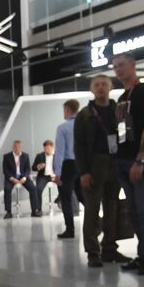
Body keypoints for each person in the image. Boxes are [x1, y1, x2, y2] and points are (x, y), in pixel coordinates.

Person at [112, 53, 144, 275]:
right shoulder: (123, 97)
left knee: (143, 210)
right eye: (115, 66)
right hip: (123, 160)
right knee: (133, 211)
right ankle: (143, 256)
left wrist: (140, 160)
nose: (118, 69)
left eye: (122, 65)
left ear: (133, 65)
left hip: (141, 161)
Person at [73, 76, 128, 267]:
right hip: (94, 164)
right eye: (96, 85)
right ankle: (92, 252)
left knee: (112, 207)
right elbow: (79, 146)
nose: (100, 88)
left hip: (115, 162)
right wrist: (83, 172)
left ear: (111, 87)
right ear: (91, 89)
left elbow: (126, 136)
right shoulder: (85, 114)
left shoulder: (119, 111)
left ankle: (110, 248)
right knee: (92, 209)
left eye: (104, 84)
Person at [52, 100, 82, 238]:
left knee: (66, 199)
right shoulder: (83, 126)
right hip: (82, 164)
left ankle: (70, 230)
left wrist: (57, 173)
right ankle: (98, 224)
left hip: (68, 166)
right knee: (83, 197)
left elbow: (60, 152)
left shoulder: (62, 128)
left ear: (68, 110)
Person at [2, 140, 36, 218]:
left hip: (22, 177)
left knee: (33, 188)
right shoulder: (6, 156)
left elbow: (28, 169)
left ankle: (34, 211)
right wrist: (12, 179)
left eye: (19, 147)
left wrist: (24, 177)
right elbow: (5, 170)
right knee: (7, 189)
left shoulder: (25, 156)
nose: (17, 148)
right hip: (11, 177)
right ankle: (8, 212)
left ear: (21, 147)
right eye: (15, 147)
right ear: (13, 147)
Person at [32, 140, 54, 218]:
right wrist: (38, 166)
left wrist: (56, 175)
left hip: (54, 175)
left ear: (52, 147)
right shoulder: (39, 156)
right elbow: (33, 168)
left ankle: (60, 200)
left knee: (64, 186)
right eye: (45, 149)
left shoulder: (57, 155)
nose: (47, 150)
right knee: (38, 189)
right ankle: (39, 210)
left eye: (49, 148)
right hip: (43, 176)